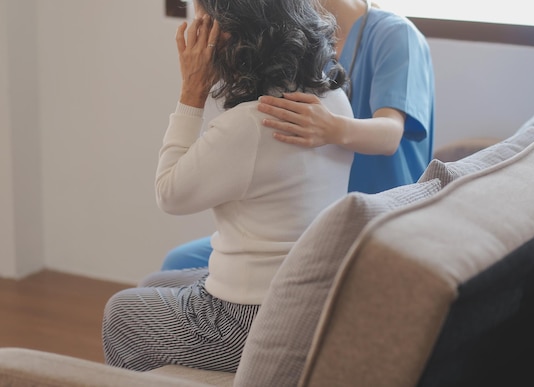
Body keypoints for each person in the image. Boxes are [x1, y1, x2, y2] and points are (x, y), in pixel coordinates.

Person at [102, 0, 353, 372]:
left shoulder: (252, 124)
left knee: (120, 313)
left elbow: (170, 193)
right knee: (155, 281)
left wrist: (191, 92)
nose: (195, 35)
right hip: (305, 298)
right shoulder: (331, 100)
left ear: (232, 33)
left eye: (203, 21)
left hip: (250, 320)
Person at [159, 0, 436, 271]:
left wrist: (332, 128)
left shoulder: (395, 35)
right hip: (311, 221)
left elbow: (390, 135)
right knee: (179, 262)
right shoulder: (298, 36)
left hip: (375, 224)